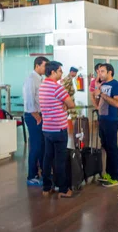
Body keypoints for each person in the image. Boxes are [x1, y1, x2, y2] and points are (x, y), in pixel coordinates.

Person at [39, 61, 77, 199]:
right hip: (59, 128)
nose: (62, 73)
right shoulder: (57, 87)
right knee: (60, 160)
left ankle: (46, 187)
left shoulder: (43, 86)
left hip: (47, 128)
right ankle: (63, 189)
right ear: (53, 72)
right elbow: (71, 104)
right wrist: (65, 105)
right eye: (60, 71)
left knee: (47, 158)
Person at [93, 63, 118, 186]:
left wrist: (102, 94)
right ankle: (108, 174)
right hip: (102, 119)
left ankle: (115, 177)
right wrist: (95, 92)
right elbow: (97, 102)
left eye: (102, 71)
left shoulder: (116, 85)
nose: (99, 74)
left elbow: (116, 103)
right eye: (99, 71)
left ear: (110, 72)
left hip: (111, 120)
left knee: (112, 148)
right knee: (105, 147)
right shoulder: (102, 85)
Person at [22, 56, 48, 186]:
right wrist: (37, 117)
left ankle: (43, 173)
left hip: (40, 116)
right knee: (36, 146)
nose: (46, 68)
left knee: (42, 145)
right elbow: (29, 101)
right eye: (44, 66)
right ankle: (31, 175)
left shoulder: (40, 79)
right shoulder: (31, 80)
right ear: (37, 66)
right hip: (33, 117)